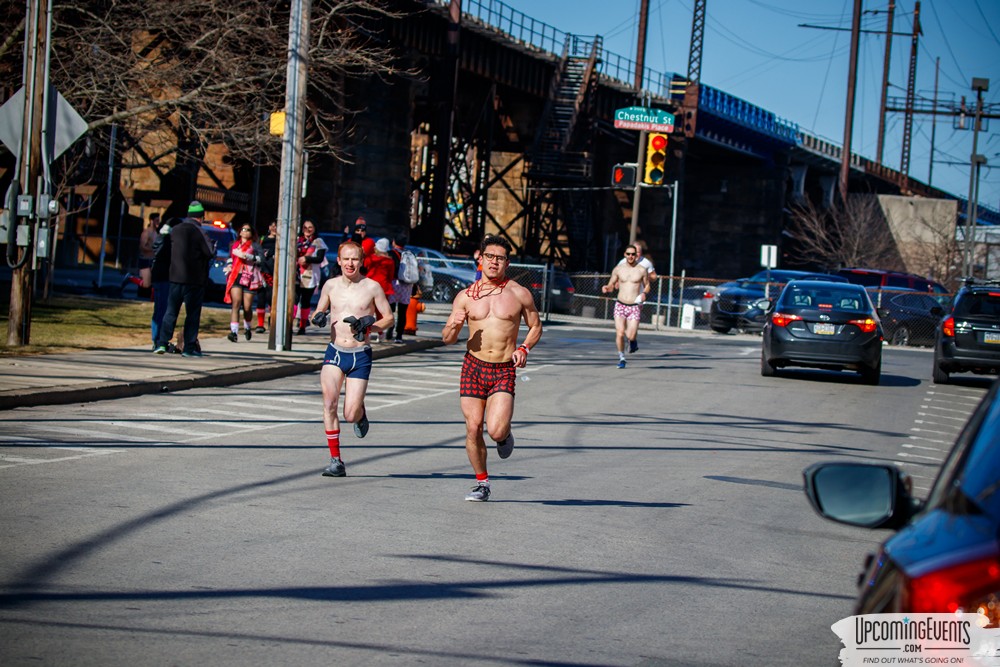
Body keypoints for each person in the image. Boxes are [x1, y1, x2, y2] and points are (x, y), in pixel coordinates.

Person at [442, 234, 542, 502]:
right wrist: (454, 325)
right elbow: (447, 339)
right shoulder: (465, 296)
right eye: (489, 257)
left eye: (499, 258)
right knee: (473, 427)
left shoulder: (519, 294)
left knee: (495, 430)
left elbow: (535, 326)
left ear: (507, 262)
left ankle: (505, 434)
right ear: (480, 258)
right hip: (473, 367)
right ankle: (482, 483)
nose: (494, 262)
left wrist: (524, 349)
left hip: (502, 369)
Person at [310, 240, 394, 478]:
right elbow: (319, 311)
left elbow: (388, 318)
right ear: (338, 260)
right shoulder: (330, 286)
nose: (350, 263)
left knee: (349, 415)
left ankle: (359, 412)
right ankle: (336, 460)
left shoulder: (372, 287)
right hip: (335, 351)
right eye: (345, 258)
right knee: (329, 404)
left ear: (361, 261)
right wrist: (317, 318)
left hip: (360, 355)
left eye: (354, 259)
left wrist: (370, 326)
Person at [154, 201, 215, 357]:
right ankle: (188, 348)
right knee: (192, 315)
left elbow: (165, 249)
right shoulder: (200, 231)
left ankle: (161, 343)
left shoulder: (176, 230)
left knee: (171, 312)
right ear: (201, 217)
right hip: (194, 280)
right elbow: (209, 252)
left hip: (175, 277)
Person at [602, 245, 650, 369]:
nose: (630, 256)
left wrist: (644, 293)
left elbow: (647, 285)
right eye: (628, 254)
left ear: (636, 255)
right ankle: (622, 358)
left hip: (634, 306)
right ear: (624, 254)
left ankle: (633, 341)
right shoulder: (618, 269)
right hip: (620, 305)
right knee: (620, 333)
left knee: (630, 336)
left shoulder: (641, 270)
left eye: (633, 254)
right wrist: (607, 288)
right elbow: (611, 285)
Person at [223, 224, 265, 342]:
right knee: (236, 303)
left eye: (248, 230)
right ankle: (234, 332)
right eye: (243, 229)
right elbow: (230, 257)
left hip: (249, 277)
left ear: (252, 233)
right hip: (236, 275)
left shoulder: (255, 245)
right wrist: (230, 265)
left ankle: (247, 327)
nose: (245, 232)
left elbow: (261, 259)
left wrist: (249, 256)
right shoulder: (234, 245)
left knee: (247, 307)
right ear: (239, 232)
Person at [294, 219, 328, 335]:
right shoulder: (297, 241)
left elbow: (320, 258)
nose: (307, 230)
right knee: (294, 298)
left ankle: (302, 326)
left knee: (305, 300)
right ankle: (289, 323)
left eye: (310, 228)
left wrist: (307, 259)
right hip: (296, 274)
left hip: (310, 275)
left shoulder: (318, 242)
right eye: (305, 227)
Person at [149, 216, 177, 352]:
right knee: (164, 310)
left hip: (157, 277)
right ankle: (160, 340)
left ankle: (156, 339)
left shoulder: (160, 238)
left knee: (158, 310)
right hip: (165, 277)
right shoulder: (169, 242)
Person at [121, 212, 160, 295]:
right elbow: (142, 247)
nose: (158, 222)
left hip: (153, 260)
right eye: (157, 220)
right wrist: (153, 249)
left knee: (154, 282)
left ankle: (152, 300)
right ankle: (130, 278)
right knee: (146, 284)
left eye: (159, 221)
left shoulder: (156, 233)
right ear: (151, 221)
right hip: (145, 260)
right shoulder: (146, 233)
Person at [365, 238, 395, 343]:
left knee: (368, 311)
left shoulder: (371, 258)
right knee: (380, 313)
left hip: (369, 286)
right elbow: (391, 276)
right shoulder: (390, 261)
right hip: (384, 288)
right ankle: (381, 333)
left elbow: (365, 267)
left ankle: (366, 333)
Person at [389, 233, 414, 343]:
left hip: (394, 282)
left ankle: (390, 330)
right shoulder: (409, 254)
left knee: (390, 309)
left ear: (394, 241)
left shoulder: (391, 254)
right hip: (407, 285)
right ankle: (399, 335)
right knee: (403, 311)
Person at [254, 221, 277, 334]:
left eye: (276, 226)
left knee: (271, 298)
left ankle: (272, 320)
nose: (274, 227)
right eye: (272, 225)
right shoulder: (262, 239)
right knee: (261, 297)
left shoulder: (281, 242)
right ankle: (260, 324)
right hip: (261, 271)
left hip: (274, 273)